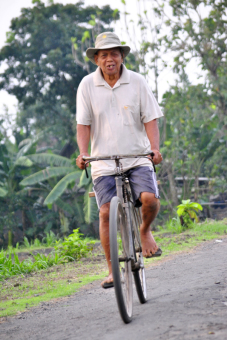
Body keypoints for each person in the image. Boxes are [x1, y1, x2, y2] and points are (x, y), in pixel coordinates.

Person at [76, 32, 163, 288]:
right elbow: (83, 124)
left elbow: (150, 119)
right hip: (102, 161)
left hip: (137, 157)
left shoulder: (137, 81)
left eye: (114, 53)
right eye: (104, 55)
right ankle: (113, 270)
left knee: (149, 199)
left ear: (122, 56)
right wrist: (83, 154)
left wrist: (155, 149)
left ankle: (145, 231)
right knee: (105, 213)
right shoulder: (86, 86)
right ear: (97, 60)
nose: (109, 59)